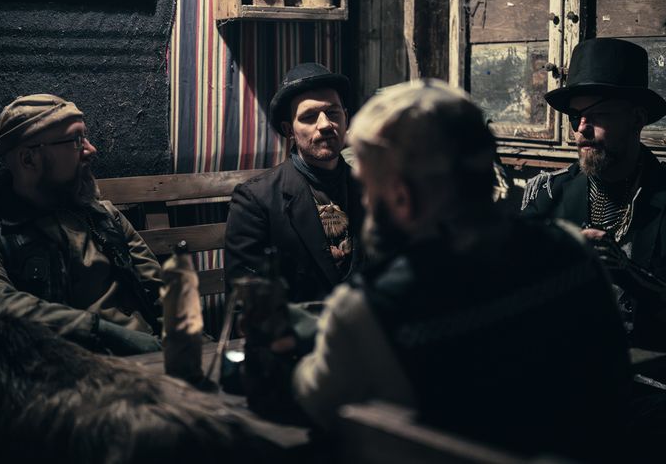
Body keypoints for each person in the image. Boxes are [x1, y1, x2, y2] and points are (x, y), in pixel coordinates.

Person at [292, 79, 632, 459]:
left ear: (402, 196)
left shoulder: (367, 307)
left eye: (369, 188)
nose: (367, 202)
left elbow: (314, 400)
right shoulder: (572, 250)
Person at [521, 38, 666, 398]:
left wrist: (630, 275)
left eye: (597, 115)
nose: (581, 129)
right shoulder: (546, 195)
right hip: (560, 380)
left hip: (658, 391)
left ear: (637, 118)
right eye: (575, 116)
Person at [0, 94, 164, 356]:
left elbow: (162, 292)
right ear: (29, 159)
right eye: (76, 140)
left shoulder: (105, 217)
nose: (91, 150)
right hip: (71, 371)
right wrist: (102, 332)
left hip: (155, 360)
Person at [225, 63, 364, 302]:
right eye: (309, 117)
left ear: (346, 118)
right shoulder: (256, 201)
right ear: (289, 130)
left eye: (333, 113)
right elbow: (245, 303)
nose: (325, 125)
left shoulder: (371, 187)